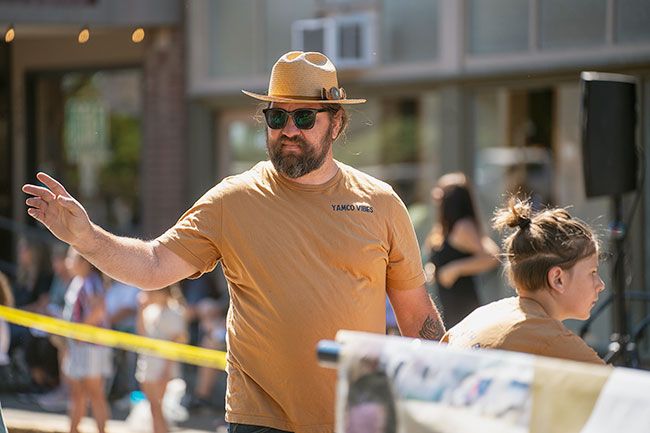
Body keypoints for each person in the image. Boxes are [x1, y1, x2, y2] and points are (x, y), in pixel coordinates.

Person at [23, 50, 444, 433]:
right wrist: (87, 237)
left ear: (336, 122)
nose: (288, 130)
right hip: (260, 422)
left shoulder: (381, 203)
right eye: (276, 117)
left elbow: (417, 317)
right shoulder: (233, 199)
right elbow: (154, 266)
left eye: (304, 117)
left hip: (356, 422)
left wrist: (447, 404)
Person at [442, 196, 606, 365]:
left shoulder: (481, 314)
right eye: (592, 272)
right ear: (558, 279)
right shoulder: (552, 340)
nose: (601, 285)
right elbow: (615, 388)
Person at [425, 173, 499, 328]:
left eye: (442, 192)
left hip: (463, 306)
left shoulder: (463, 227)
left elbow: (492, 257)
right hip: (448, 304)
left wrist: (456, 269)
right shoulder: (445, 227)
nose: (436, 196)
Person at [62, 248, 113, 433]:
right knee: (77, 394)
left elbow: (98, 311)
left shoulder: (92, 282)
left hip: (92, 348)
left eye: (71, 258)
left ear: (84, 262)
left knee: (95, 393)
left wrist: (79, 331)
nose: (67, 262)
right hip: (78, 346)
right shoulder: (77, 282)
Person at [136, 284, 187, 433]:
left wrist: (166, 372)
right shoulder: (150, 311)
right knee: (154, 407)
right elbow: (141, 334)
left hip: (163, 367)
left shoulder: (175, 313)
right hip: (148, 364)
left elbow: (176, 343)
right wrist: (140, 310)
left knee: (158, 408)